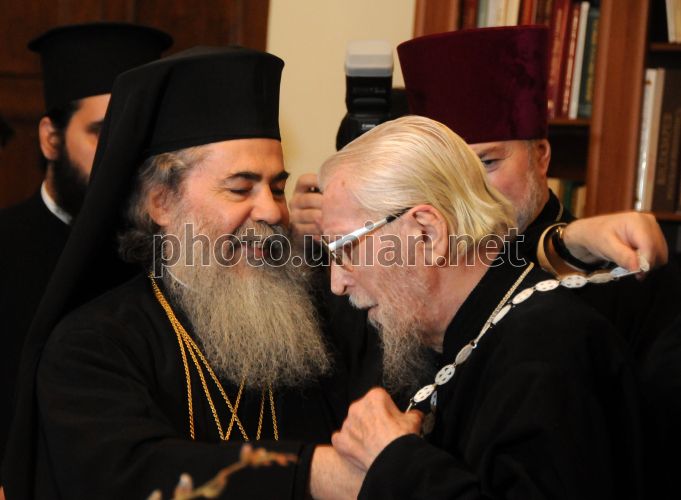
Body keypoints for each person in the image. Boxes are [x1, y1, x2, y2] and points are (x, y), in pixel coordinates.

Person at [2, 46, 363, 500]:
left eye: (276, 187)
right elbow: (130, 473)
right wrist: (312, 473)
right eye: (240, 189)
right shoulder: (92, 345)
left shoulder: (314, 325)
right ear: (161, 203)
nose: (273, 211)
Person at [290, 26, 678, 366]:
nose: (468, 186)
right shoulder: (407, 266)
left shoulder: (617, 271)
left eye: (486, 162)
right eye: (446, 173)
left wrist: (561, 248)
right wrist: (325, 242)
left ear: (541, 156)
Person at [320, 115, 641, 499]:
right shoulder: (456, 337)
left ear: (426, 233)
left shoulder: (550, 349)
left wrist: (395, 459)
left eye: (344, 248)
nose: (337, 283)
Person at [0, 22, 171, 464]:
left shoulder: (170, 253)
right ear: (50, 138)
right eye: (101, 132)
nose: (121, 152)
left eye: (136, 135)